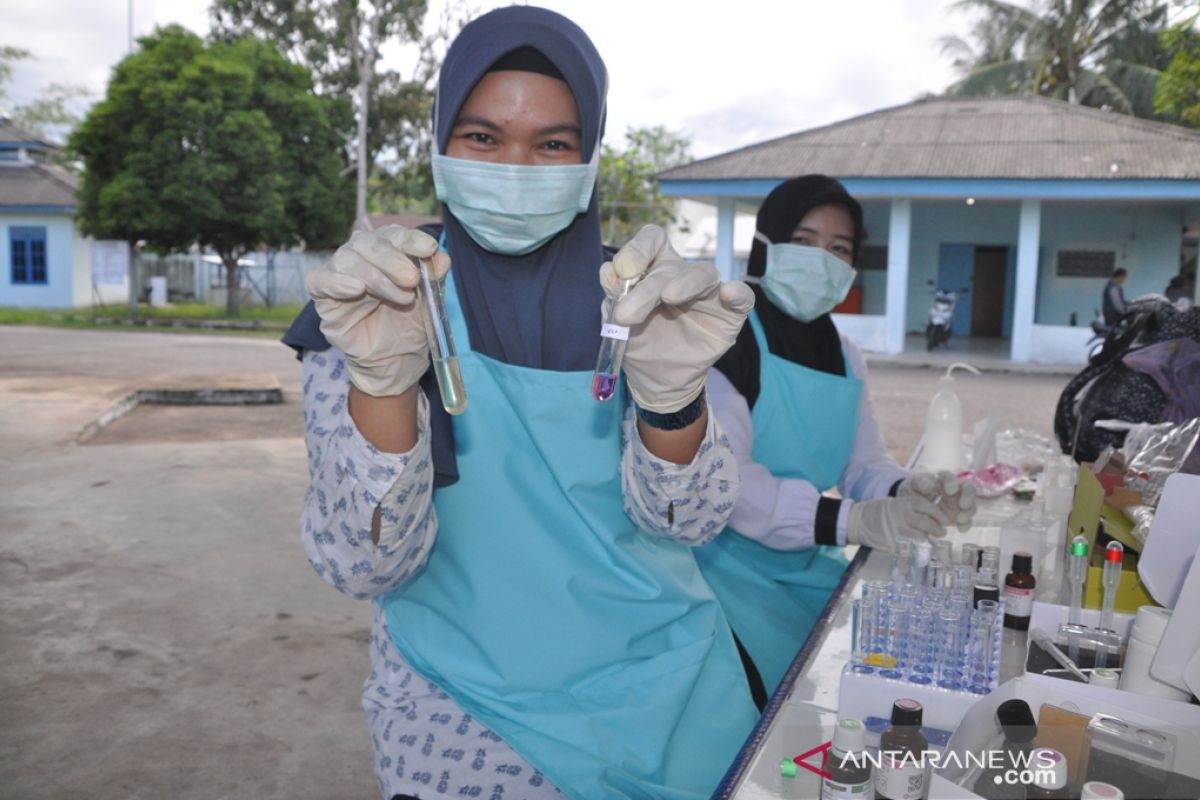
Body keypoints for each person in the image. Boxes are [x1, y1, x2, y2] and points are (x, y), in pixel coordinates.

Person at [283, 7, 759, 799]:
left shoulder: (640, 302)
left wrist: (673, 401)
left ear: (589, 157)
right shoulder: (382, 302)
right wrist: (384, 386)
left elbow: (688, 523)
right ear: (440, 143)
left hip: (671, 697)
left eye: (552, 144)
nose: (516, 166)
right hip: (468, 712)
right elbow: (364, 563)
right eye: (481, 138)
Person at [695, 175, 978, 695]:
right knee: (773, 701)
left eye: (839, 248)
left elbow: (862, 462)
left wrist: (907, 492)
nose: (821, 259)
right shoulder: (724, 341)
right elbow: (727, 485)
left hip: (805, 564)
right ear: (765, 245)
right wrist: (856, 520)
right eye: (803, 242)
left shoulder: (844, 354)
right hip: (718, 576)